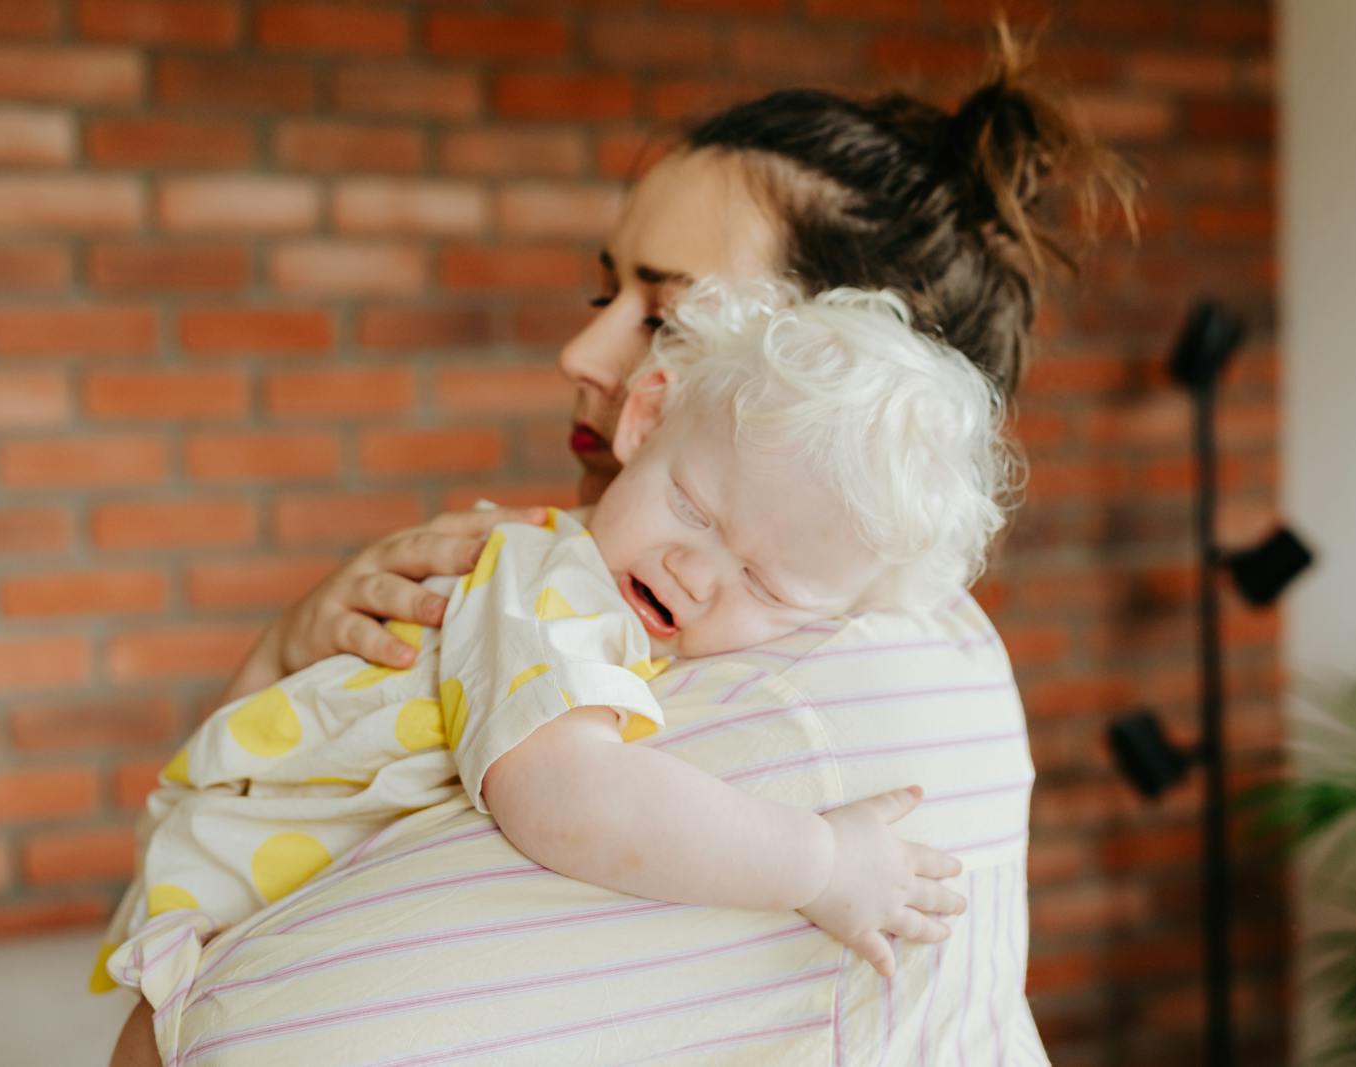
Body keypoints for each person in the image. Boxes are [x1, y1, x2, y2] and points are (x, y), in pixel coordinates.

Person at [110, 30, 1133, 1067]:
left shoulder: (836, 683)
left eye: (667, 314)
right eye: (608, 294)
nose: (581, 352)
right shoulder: (569, 581)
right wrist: (292, 648)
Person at [98, 281, 1012, 1011]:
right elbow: (565, 795)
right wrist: (819, 861)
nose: (695, 573)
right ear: (647, 419)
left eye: (766, 587)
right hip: (224, 903)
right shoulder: (546, 579)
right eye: (692, 506)